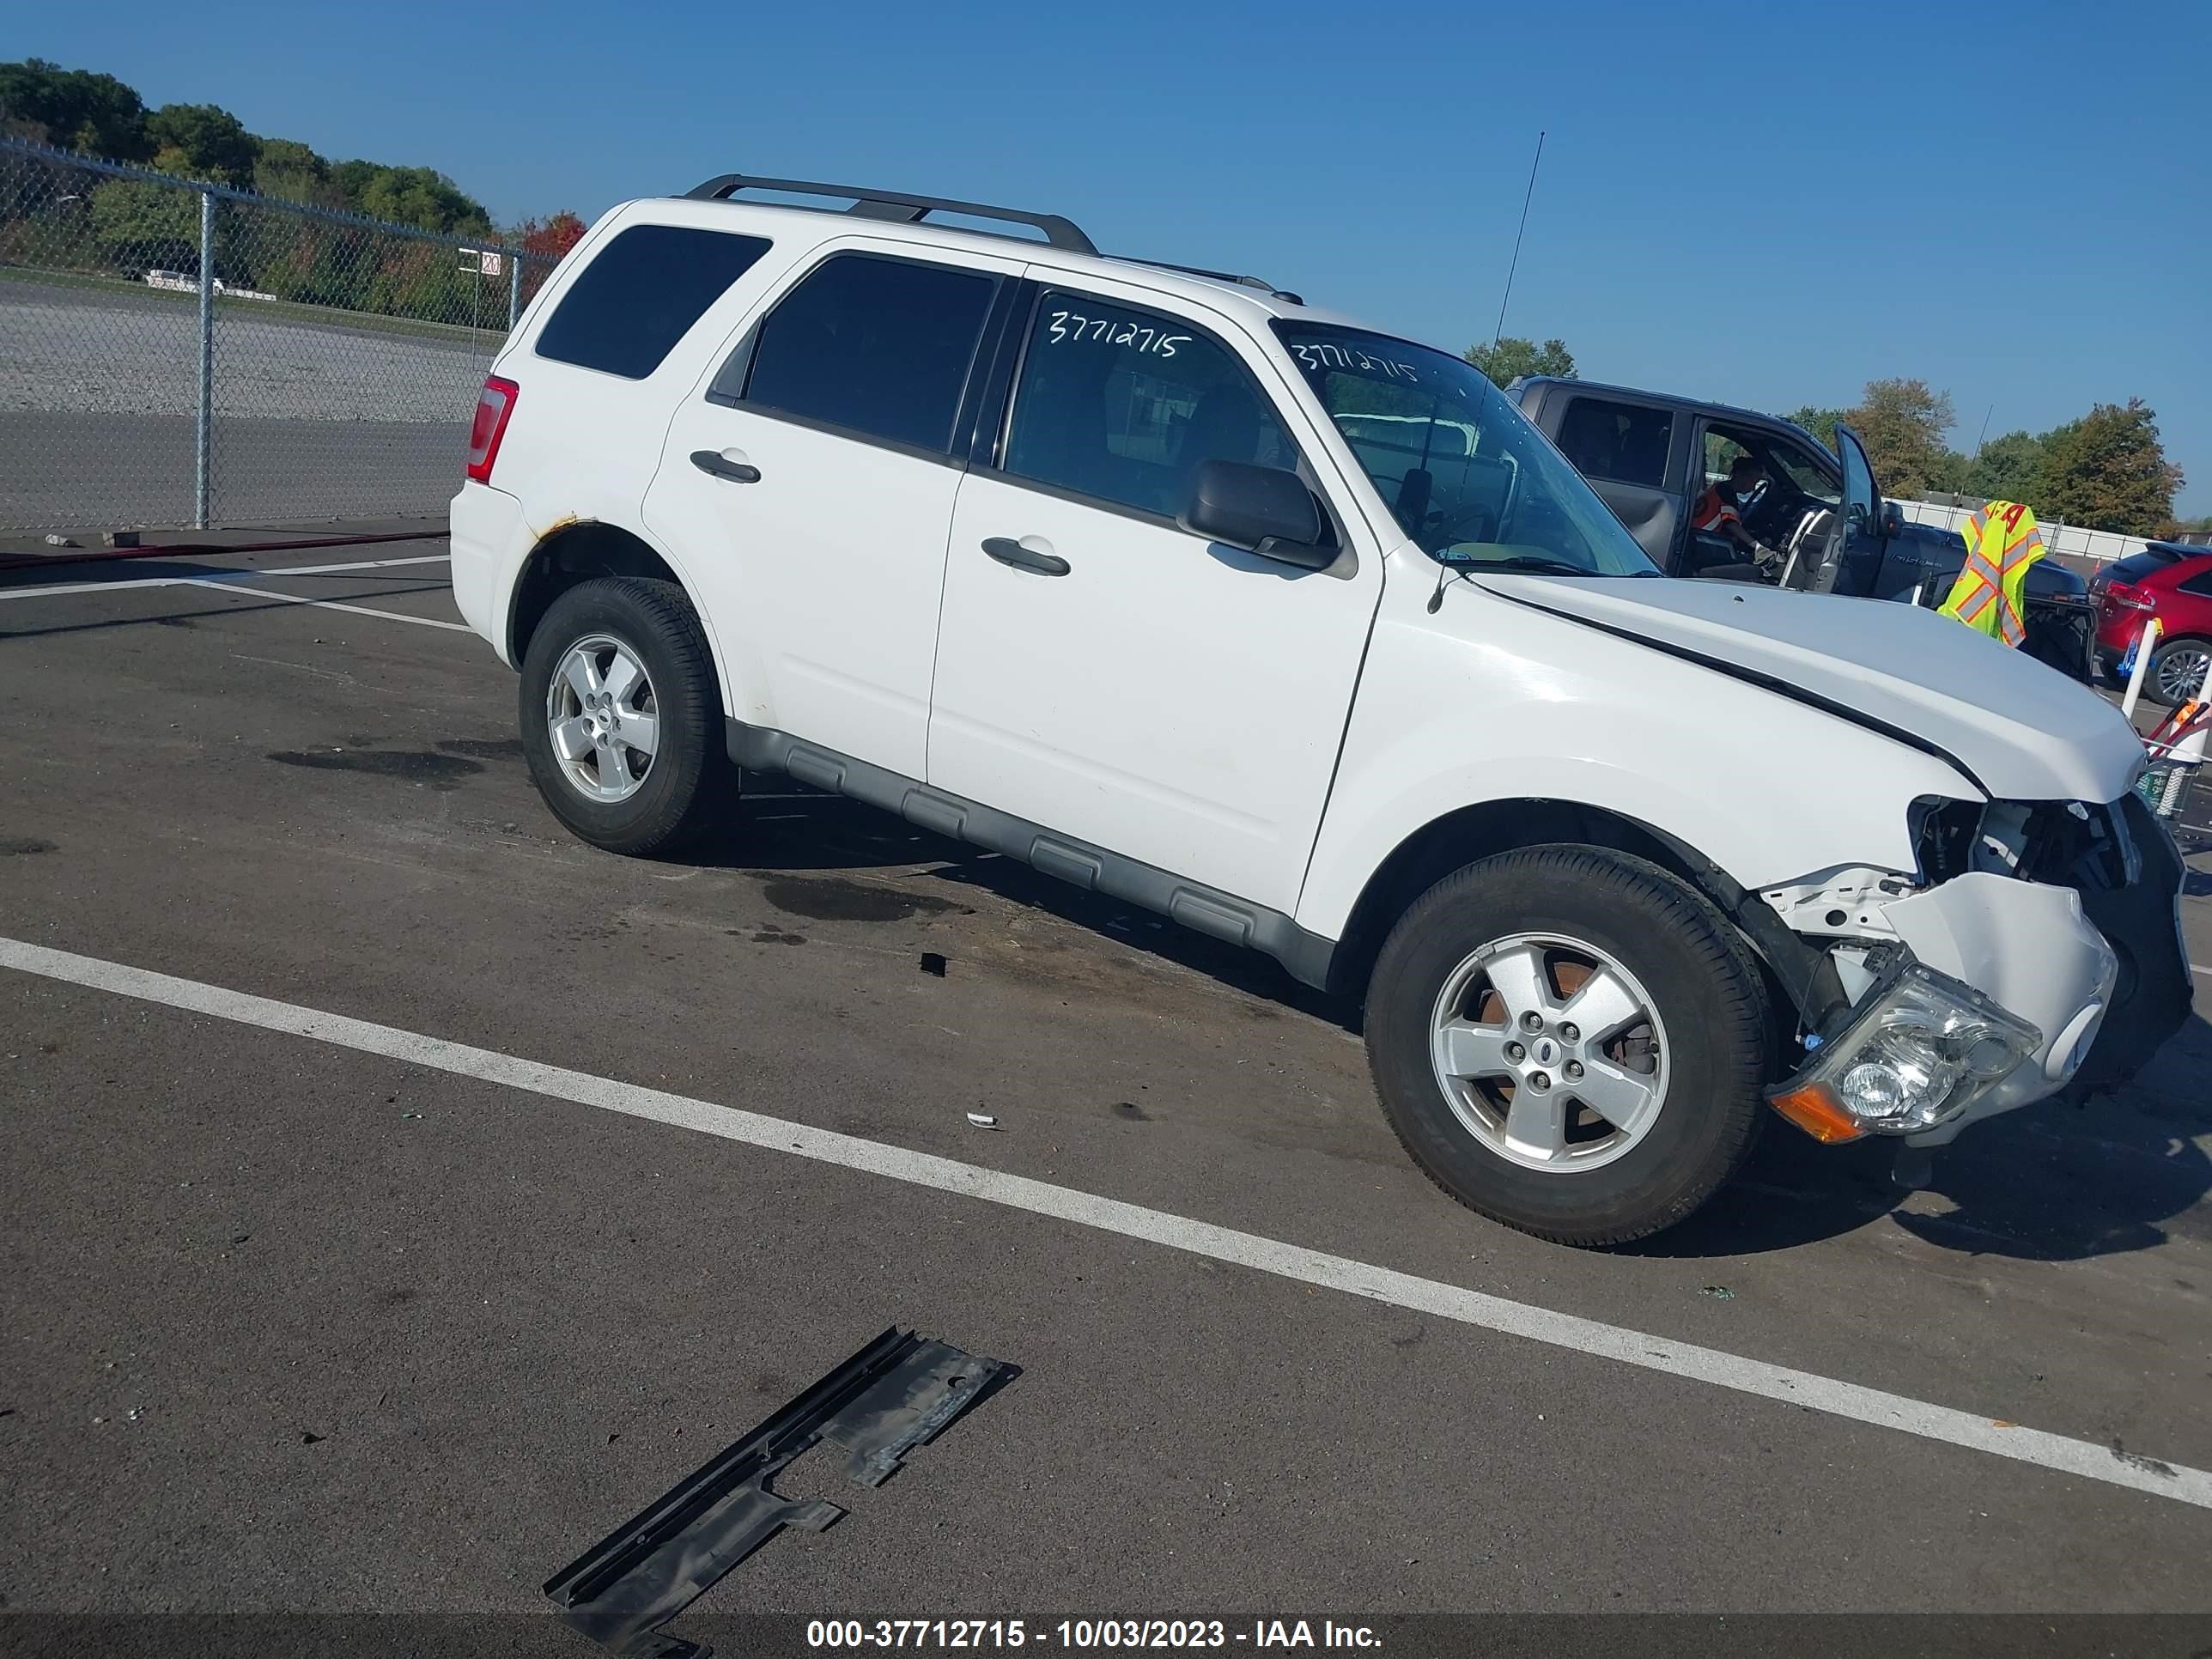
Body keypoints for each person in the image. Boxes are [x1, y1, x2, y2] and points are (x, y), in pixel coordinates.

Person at [1689, 456, 1777, 568]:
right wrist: (1757, 547)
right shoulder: (1726, 493)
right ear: (1740, 476)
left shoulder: (1720, 487)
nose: (1754, 488)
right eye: (1752, 482)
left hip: (1701, 539)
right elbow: (1731, 524)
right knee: (1752, 569)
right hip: (1706, 543)